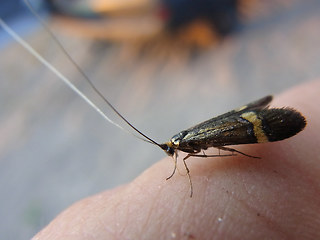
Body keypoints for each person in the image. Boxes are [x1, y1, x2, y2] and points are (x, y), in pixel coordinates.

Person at [33, 80, 320, 240]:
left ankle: (252, 124)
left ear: (173, 148)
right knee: (227, 135)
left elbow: (191, 153)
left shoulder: (184, 144)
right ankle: (252, 118)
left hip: (230, 129)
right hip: (230, 123)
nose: (174, 155)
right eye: (173, 153)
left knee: (228, 139)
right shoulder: (180, 141)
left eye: (172, 153)